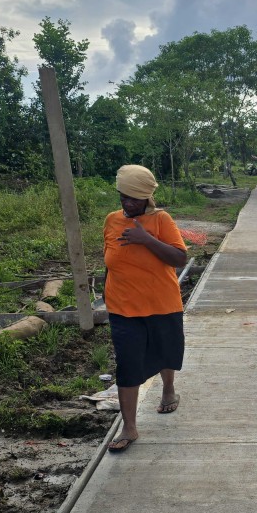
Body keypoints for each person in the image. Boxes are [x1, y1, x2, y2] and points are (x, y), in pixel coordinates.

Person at [103, 165, 188, 452]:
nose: (128, 203)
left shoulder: (161, 220)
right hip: (122, 308)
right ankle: (129, 427)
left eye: (135, 199)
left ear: (147, 198)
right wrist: (106, 294)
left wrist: (146, 239)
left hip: (161, 304)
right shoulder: (111, 221)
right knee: (127, 365)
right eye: (124, 197)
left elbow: (179, 257)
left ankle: (168, 389)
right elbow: (109, 260)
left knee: (166, 352)